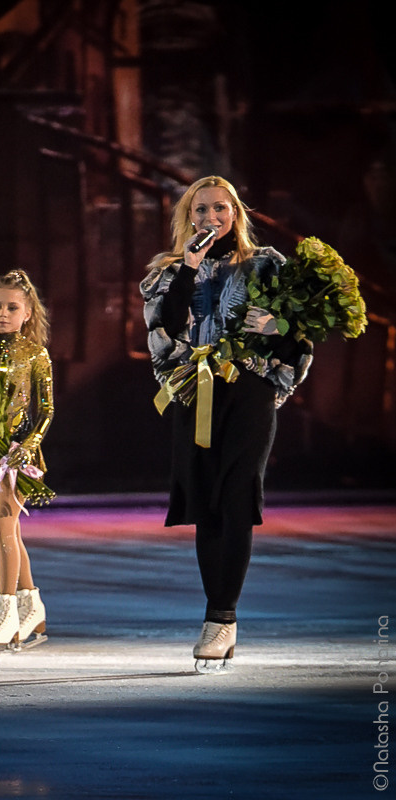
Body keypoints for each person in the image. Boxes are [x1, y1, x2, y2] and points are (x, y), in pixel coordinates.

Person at [140, 176, 312, 668]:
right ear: (187, 219)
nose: (210, 219)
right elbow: (163, 330)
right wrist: (189, 270)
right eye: (200, 211)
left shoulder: (267, 265)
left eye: (219, 209)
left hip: (250, 393)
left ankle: (222, 618)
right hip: (195, 392)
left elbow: (300, 337)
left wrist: (278, 331)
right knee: (206, 501)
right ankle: (217, 618)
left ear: (235, 212)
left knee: (238, 494)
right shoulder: (167, 272)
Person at [0, 269, 54, 653]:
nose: (3, 313)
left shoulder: (36, 354)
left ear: (27, 312)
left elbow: (47, 410)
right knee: (5, 529)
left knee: (5, 527)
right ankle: (32, 606)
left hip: (18, 455)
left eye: (11, 307)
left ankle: (5, 611)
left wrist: (28, 443)